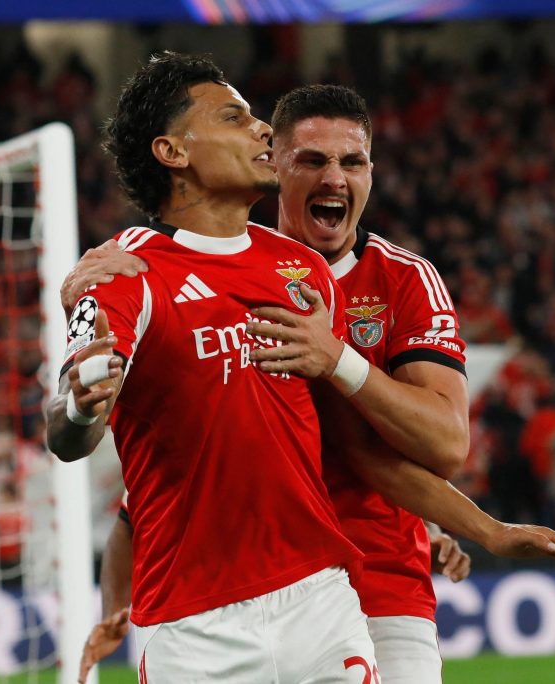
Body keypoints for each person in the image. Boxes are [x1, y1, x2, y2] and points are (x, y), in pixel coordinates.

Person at [66, 84, 555, 684]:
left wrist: (476, 526)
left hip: (375, 582)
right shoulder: (187, 271)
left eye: (353, 163)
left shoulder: (402, 279)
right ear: (275, 165)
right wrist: (117, 608)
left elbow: (437, 445)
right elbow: (151, 480)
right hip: (223, 594)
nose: (335, 178)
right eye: (313, 160)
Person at [46, 52, 380, 683]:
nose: (263, 129)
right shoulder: (121, 274)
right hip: (193, 628)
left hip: (319, 598)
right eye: (234, 117)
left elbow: (336, 442)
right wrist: (83, 406)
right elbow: (65, 430)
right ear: (173, 152)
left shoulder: (303, 271)